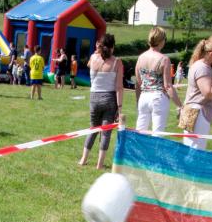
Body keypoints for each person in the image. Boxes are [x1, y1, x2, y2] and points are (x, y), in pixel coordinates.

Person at [78, 34, 124, 169]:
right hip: (109, 99)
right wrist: (120, 108)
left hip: (94, 98)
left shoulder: (93, 58)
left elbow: (88, 64)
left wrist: (97, 51)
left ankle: (83, 159)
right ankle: (99, 164)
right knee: (105, 132)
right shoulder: (117, 62)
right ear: (112, 47)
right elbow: (119, 87)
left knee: (93, 128)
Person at [180, 35, 212, 150]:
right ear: (211, 54)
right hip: (198, 114)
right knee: (195, 150)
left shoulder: (202, 66)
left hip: (196, 113)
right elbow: (209, 94)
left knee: (191, 148)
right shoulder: (202, 68)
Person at [134, 27, 182, 134]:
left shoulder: (140, 57)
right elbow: (168, 86)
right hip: (158, 98)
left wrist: (138, 101)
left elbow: (138, 82)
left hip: (144, 97)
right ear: (161, 40)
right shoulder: (164, 59)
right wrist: (180, 105)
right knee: (158, 135)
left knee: (139, 134)